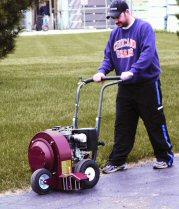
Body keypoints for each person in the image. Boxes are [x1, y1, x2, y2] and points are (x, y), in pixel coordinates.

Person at [93, 0, 174, 174]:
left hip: (147, 84)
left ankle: (165, 157)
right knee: (123, 125)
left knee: (154, 122)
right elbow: (109, 58)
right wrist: (101, 72)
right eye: (113, 18)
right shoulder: (115, 34)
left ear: (127, 12)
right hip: (126, 87)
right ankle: (118, 161)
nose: (116, 21)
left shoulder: (144, 28)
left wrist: (133, 71)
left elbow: (148, 53)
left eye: (118, 17)